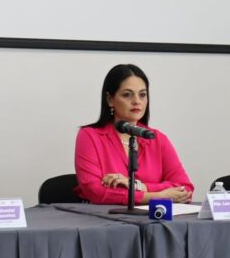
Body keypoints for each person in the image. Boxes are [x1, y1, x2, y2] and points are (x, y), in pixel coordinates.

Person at [74, 64, 194, 205]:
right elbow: (95, 192)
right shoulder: (89, 136)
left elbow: (185, 189)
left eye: (142, 95)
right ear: (110, 99)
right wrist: (156, 196)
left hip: (153, 217)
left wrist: (139, 186)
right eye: (127, 94)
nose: (137, 101)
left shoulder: (156, 138)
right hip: (104, 217)